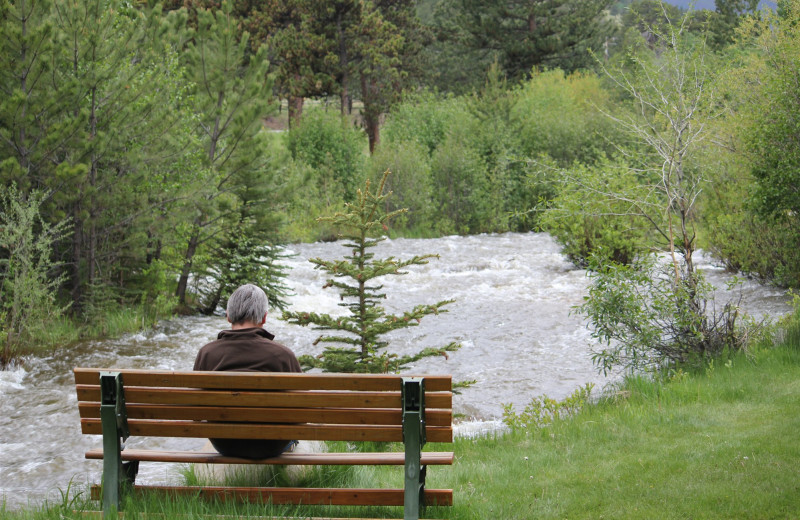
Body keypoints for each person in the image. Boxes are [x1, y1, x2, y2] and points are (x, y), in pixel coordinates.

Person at [194, 283, 302, 459]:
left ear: (228, 316)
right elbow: (302, 411)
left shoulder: (207, 353)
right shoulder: (283, 355)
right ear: (264, 318)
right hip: (272, 445)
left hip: (225, 444)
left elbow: (195, 411)